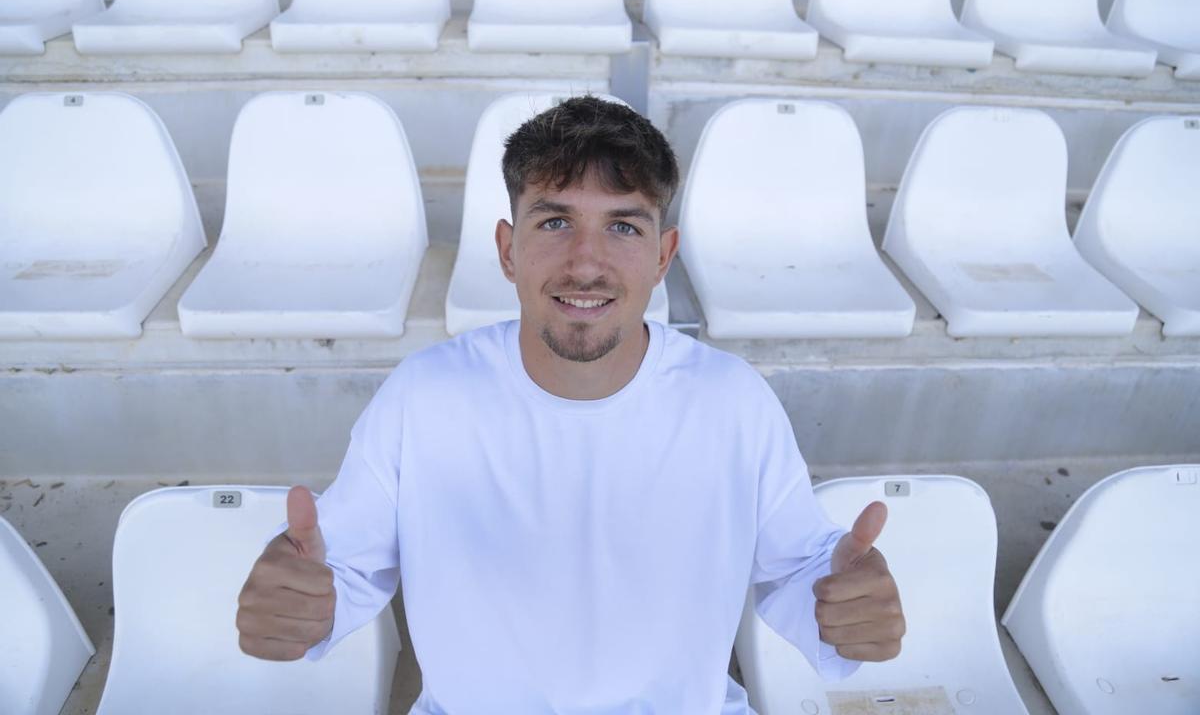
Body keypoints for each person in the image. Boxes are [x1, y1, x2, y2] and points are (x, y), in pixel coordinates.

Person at [235, 96, 905, 713]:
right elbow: (339, 566)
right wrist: (298, 600)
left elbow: (798, 569)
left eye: (624, 227)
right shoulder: (424, 396)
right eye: (555, 221)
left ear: (663, 255)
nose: (586, 262)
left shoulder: (732, 402)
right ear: (506, 249)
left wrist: (840, 605)